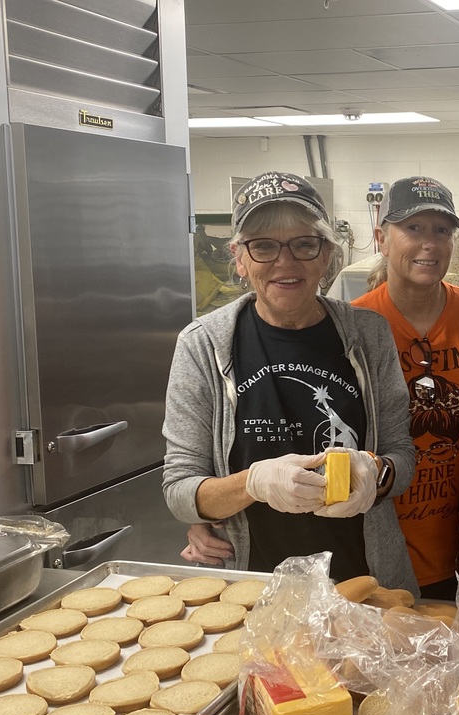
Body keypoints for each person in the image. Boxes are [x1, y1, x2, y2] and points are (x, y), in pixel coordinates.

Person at [163, 170, 418, 592]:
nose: (286, 262)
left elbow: (402, 458)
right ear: (240, 259)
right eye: (263, 246)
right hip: (251, 588)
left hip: (363, 583)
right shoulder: (203, 345)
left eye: (304, 244)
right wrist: (253, 482)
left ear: (327, 256)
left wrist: (374, 472)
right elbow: (180, 490)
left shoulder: (368, 334)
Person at [344, 177, 459, 600]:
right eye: (413, 228)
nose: (429, 243)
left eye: (441, 231)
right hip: (376, 546)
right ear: (381, 239)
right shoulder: (353, 327)